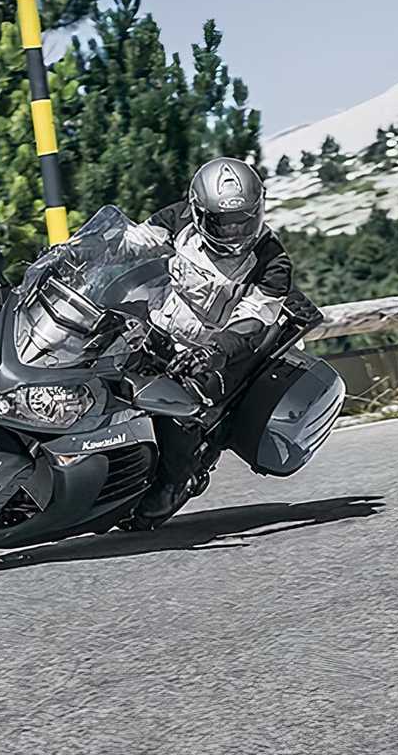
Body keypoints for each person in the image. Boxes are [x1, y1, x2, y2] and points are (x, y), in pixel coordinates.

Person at [121, 156, 293, 526]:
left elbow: (254, 319)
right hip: (153, 325)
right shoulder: (179, 219)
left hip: (210, 352)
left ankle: (173, 483)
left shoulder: (272, 260)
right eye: (222, 222)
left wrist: (213, 351)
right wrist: (80, 254)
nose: (232, 232)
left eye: (242, 221)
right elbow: (132, 242)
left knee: (179, 404)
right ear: (200, 212)